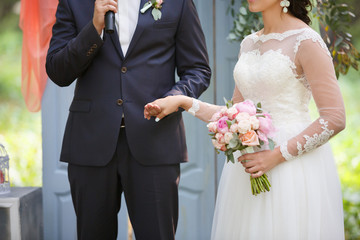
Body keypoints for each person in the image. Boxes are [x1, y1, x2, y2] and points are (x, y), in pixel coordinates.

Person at [144, 0, 346, 239]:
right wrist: (184, 102)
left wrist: (277, 155)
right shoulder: (249, 43)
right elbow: (234, 114)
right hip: (248, 167)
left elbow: (334, 117)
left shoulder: (307, 41)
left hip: (290, 165)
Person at [45, 0, 211, 239]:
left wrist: (174, 98)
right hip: (91, 143)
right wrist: (94, 29)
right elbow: (58, 71)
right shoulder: (74, 3)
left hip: (155, 139)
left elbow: (198, 69)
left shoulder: (179, 3)